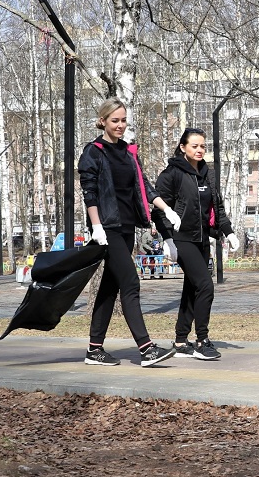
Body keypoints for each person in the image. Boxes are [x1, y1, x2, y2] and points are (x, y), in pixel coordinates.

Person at [77, 97, 182, 367]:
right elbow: (89, 193)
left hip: (126, 227)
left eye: (124, 120)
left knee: (109, 287)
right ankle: (147, 349)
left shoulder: (128, 152)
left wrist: (166, 209)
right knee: (131, 283)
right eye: (115, 120)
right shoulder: (93, 151)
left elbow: (144, 186)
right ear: (102, 121)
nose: (121, 125)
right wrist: (96, 226)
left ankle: (94, 350)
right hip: (106, 228)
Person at [153, 127, 240, 361]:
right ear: (183, 147)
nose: (200, 150)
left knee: (192, 289)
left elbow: (217, 207)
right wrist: (167, 239)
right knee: (205, 286)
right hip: (181, 239)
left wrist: (228, 232)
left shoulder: (207, 173)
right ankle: (202, 341)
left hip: (202, 239)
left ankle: (181, 341)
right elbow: (159, 211)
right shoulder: (171, 174)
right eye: (195, 146)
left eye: (203, 146)